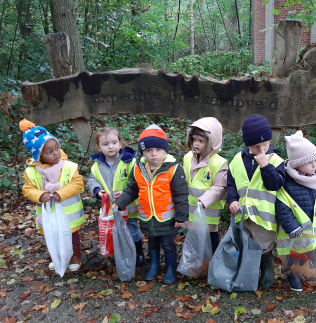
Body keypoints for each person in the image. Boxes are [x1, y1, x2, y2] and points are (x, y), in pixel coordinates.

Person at [112, 124, 189, 284]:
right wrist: (120, 202)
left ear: (165, 150)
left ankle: (170, 267)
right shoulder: (139, 168)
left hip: (166, 216)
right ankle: (154, 265)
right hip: (147, 215)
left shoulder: (173, 169)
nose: (153, 154)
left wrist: (181, 215)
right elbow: (132, 189)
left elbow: (181, 194)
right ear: (143, 152)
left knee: (167, 243)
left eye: (158, 150)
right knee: (152, 241)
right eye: (148, 150)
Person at [228, 114, 286, 288]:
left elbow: (274, 184)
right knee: (245, 243)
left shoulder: (276, 160)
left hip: (264, 217)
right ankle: (249, 271)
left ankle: (267, 268)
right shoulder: (238, 160)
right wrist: (232, 199)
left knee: (263, 245)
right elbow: (231, 183)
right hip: (243, 214)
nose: (261, 150)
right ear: (247, 145)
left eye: (265, 145)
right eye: (255, 146)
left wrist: (265, 167)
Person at [20, 119, 86, 271]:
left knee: (72, 233)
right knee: (52, 234)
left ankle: (75, 254)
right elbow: (27, 189)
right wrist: (40, 194)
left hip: (69, 212)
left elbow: (77, 183)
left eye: (57, 148)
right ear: (38, 155)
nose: (56, 153)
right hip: (48, 212)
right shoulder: (31, 172)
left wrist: (60, 193)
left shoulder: (68, 166)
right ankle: (56, 256)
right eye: (49, 152)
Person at [275, 131, 316, 291]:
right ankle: (292, 275)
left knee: (311, 250)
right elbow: (282, 208)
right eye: (310, 162)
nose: (315, 165)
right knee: (292, 253)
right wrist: (292, 227)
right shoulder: (286, 184)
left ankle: (311, 271)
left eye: (315, 160)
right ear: (297, 164)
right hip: (292, 231)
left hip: (311, 229)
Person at [87, 127, 145, 266]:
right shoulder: (97, 166)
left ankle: (138, 252)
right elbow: (92, 180)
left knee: (131, 229)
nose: (110, 147)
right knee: (115, 231)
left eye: (114, 142)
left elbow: (136, 180)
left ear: (120, 144)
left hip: (129, 205)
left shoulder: (129, 162)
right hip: (111, 207)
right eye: (105, 144)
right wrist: (97, 190)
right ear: (99, 147)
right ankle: (120, 253)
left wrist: (125, 193)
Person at [181, 117, 227, 254]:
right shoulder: (189, 157)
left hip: (208, 212)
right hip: (191, 209)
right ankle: (196, 264)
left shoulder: (219, 163)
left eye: (201, 141)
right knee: (193, 239)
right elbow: (184, 178)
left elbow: (219, 187)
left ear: (212, 142)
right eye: (194, 140)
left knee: (210, 238)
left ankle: (211, 261)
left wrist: (204, 200)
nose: (196, 144)